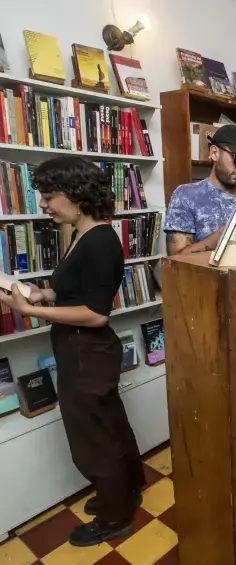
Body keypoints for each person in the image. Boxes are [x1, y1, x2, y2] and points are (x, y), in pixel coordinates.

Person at [0, 156, 145, 546]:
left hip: (86, 353)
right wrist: (44, 293)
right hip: (85, 352)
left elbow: (96, 314)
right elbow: (79, 291)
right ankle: (127, 491)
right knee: (109, 426)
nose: (43, 204)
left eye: (48, 196)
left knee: (93, 441)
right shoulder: (86, 234)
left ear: (76, 195)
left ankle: (117, 517)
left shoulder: (97, 240)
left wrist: (29, 309)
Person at [165, 124, 236, 255]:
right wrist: (219, 239)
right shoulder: (186, 196)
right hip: (205, 275)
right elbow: (176, 259)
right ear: (214, 153)